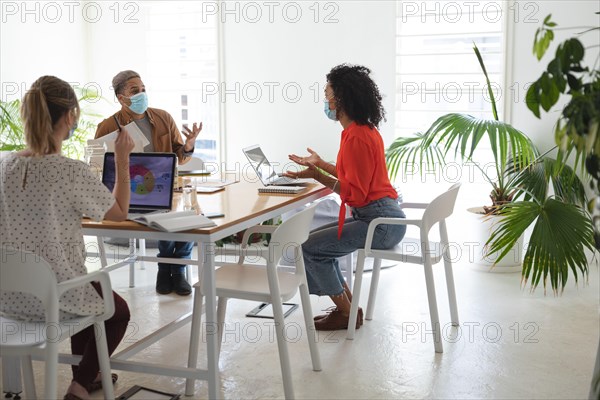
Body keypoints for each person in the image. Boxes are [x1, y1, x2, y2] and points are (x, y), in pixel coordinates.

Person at [0, 75, 135, 399]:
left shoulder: (4, 165)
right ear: (70, 116)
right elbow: (119, 212)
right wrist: (121, 160)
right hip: (57, 297)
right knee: (115, 310)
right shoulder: (69, 170)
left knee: (89, 292)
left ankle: (89, 377)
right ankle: (79, 385)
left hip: (10, 298)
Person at [284, 64, 407, 331]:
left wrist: (316, 175)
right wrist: (322, 165)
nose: (325, 101)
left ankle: (346, 314)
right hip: (382, 217)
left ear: (341, 98)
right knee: (314, 243)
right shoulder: (362, 131)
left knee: (311, 248)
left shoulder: (356, 137)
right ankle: (349, 310)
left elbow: (355, 194)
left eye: (327, 95)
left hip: (380, 222)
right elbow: (354, 175)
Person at [95, 70, 202, 296]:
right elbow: (99, 167)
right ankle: (167, 269)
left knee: (188, 213)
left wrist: (189, 145)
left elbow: (179, 156)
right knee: (163, 214)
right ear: (121, 98)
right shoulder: (107, 127)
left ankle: (175, 269)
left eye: (143, 89)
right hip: (130, 191)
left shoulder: (163, 117)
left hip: (164, 187)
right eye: (135, 91)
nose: (142, 94)